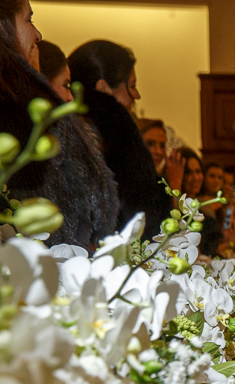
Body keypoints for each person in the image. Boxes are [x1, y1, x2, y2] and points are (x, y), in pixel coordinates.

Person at [0, 0, 118, 249]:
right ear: (0, 26)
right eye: (29, 19)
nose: (38, 34)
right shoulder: (6, 107)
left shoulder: (15, 100)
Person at [69, 39, 174, 236]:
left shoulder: (69, 126)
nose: (137, 95)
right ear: (103, 88)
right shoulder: (116, 130)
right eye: (131, 86)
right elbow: (139, 213)